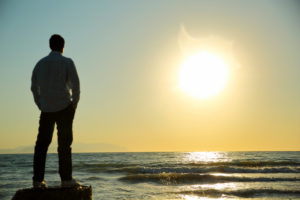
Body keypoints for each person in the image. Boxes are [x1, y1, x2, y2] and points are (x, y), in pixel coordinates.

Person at [31, 34, 80, 188]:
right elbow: (76, 86)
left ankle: (38, 181)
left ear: (50, 45)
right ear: (62, 46)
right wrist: (74, 105)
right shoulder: (67, 62)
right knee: (64, 145)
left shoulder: (40, 64)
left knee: (42, 145)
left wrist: (40, 104)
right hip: (64, 107)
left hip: (46, 109)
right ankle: (66, 180)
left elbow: (34, 87)